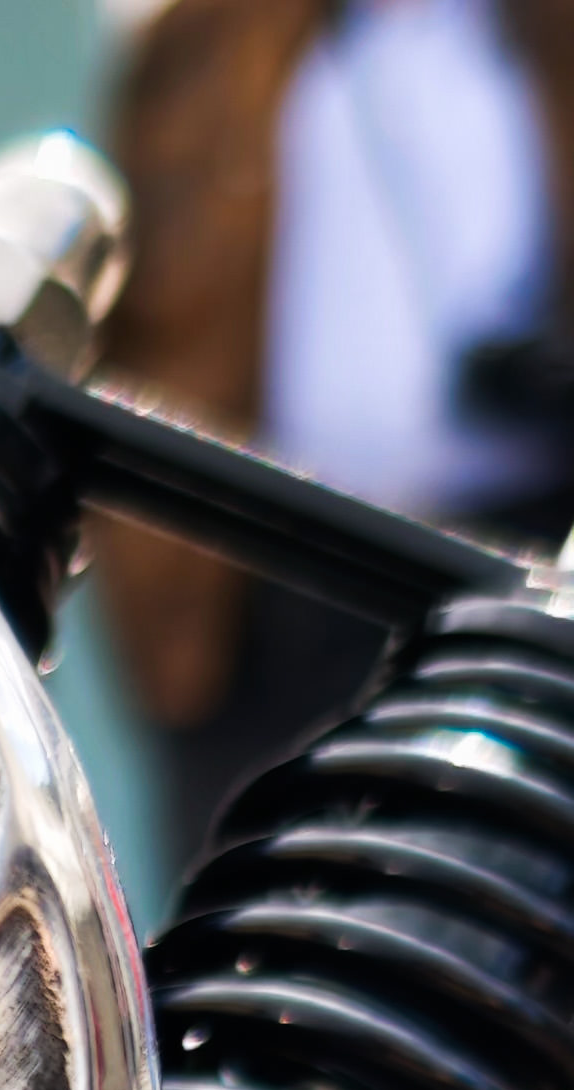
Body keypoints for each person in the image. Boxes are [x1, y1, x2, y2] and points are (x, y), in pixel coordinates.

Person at [97, 0, 574, 883]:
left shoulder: (539, 38)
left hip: (526, 570)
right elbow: (140, 322)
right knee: (267, 914)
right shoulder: (205, 44)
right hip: (271, 590)